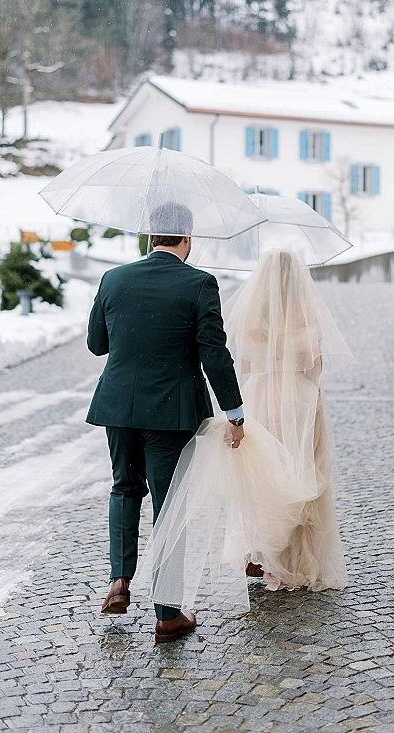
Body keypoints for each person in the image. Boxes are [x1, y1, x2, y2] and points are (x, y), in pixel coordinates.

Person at [134, 248, 354, 613]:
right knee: (300, 468)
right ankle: (293, 563)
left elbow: (247, 361)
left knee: (262, 477)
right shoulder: (308, 314)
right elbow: (314, 366)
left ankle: (263, 554)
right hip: (299, 398)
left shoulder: (254, 314)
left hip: (262, 395)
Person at [85, 203, 244, 644]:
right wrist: (234, 411)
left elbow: (97, 344)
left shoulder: (113, 278)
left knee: (124, 487)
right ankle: (168, 615)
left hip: (117, 407)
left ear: (149, 236)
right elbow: (213, 352)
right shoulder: (198, 283)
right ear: (187, 238)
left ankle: (120, 579)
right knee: (169, 506)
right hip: (171, 414)